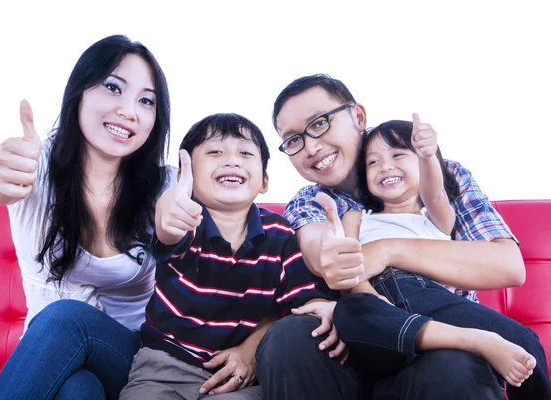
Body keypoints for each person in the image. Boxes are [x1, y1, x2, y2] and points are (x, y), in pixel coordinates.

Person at [0, 36, 257, 400]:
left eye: (146, 100)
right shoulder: (36, 165)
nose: (130, 110)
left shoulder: (165, 185)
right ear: (79, 91)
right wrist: (2, 175)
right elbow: (0, 181)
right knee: (77, 390)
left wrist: (172, 225)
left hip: (131, 359)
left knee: (65, 318)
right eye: (113, 88)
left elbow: (237, 267)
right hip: (51, 355)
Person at [255, 73, 549, 400]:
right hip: (353, 349)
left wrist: (387, 251)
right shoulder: (314, 200)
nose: (311, 147)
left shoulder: (437, 177)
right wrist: (343, 274)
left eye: (320, 123)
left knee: (460, 365)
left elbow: (507, 266)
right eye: (294, 139)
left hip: (440, 342)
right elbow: (323, 252)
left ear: (358, 116)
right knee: (293, 335)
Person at [119, 113, 341, 399]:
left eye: (246, 153)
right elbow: (168, 230)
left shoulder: (280, 233)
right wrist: (170, 211)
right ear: (184, 177)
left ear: (264, 181)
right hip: (163, 368)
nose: (231, 160)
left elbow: (300, 300)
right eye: (215, 151)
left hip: (242, 378)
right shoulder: (186, 221)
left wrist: (324, 307)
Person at [337, 116, 547, 394]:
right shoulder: (357, 216)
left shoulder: (437, 217)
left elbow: (434, 192)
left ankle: (477, 341)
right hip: (381, 300)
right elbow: (352, 269)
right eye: (372, 162)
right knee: (350, 309)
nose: (385, 166)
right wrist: (374, 300)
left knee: (525, 340)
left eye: (398, 154)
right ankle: (470, 340)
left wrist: (427, 156)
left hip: (430, 295)